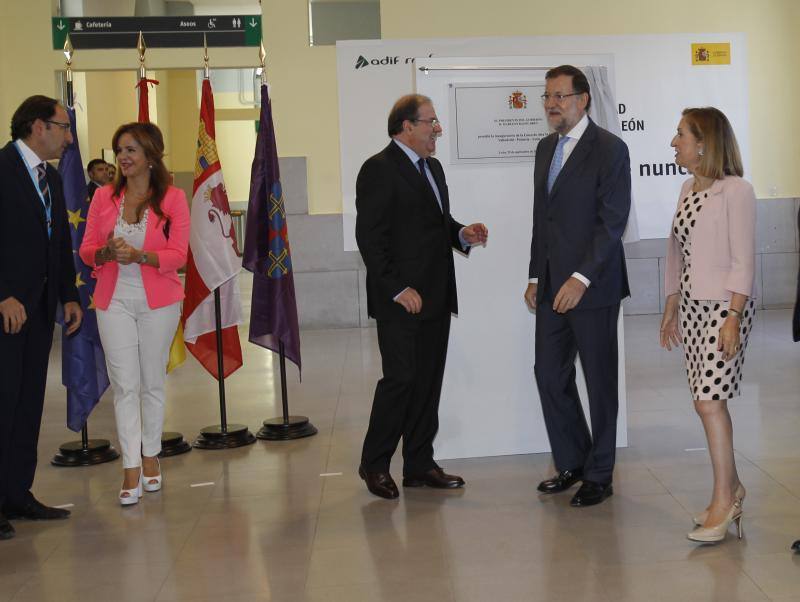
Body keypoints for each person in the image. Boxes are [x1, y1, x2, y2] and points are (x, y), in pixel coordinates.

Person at [355, 94, 488, 499]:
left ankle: (419, 463)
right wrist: (397, 288)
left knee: (428, 382)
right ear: (406, 126)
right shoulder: (378, 169)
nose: (437, 129)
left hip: (436, 294)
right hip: (400, 301)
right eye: (431, 122)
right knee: (400, 381)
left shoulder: (433, 168)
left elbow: (435, 223)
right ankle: (374, 464)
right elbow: (370, 239)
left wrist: (461, 233)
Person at [524, 65, 631, 507]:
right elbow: (543, 219)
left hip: (594, 287)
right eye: (547, 96)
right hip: (551, 287)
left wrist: (580, 277)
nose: (551, 104)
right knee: (549, 374)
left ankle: (600, 474)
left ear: (583, 99)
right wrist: (536, 275)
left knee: (600, 382)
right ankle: (574, 461)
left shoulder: (610, 149)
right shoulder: (545, 148)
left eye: (560, 96)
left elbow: (612, 223)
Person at [79, 122, 189, 506]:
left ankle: (151, 455)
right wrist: (105, 252)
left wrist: (142, 256)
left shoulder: (173, 198)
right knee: (125, 385)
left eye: (131, 150)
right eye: (119, 150)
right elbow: (87, 250)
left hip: (159, 302)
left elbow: (179, 254)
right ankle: (130, 466)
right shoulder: (102, 198)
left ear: (150, 156)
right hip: (114, 301)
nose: (122, 158)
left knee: (151, 381)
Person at [660, 107, 755, 543]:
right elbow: (678, 252)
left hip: (725, 307)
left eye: (680, 134)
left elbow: (743, 260)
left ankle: (725, 500)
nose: (673, 142)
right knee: (706, 401)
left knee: (709, 402)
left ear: (703, 143)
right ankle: (732, 489)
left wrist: (733, 317)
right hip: (692, 307)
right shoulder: (687, 188)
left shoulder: (736, 191)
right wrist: (671, 305)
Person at [0, 95, 83, 540]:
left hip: (38, 310)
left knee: (28, 403)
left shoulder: (49, 176)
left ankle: (17, 494)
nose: (69, 138)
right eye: (63, 127)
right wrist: (2, 295)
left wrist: (67, 295)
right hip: (7, 311)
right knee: (3, 403)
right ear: (38, 127)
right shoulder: (2, 169)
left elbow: (59, 243)